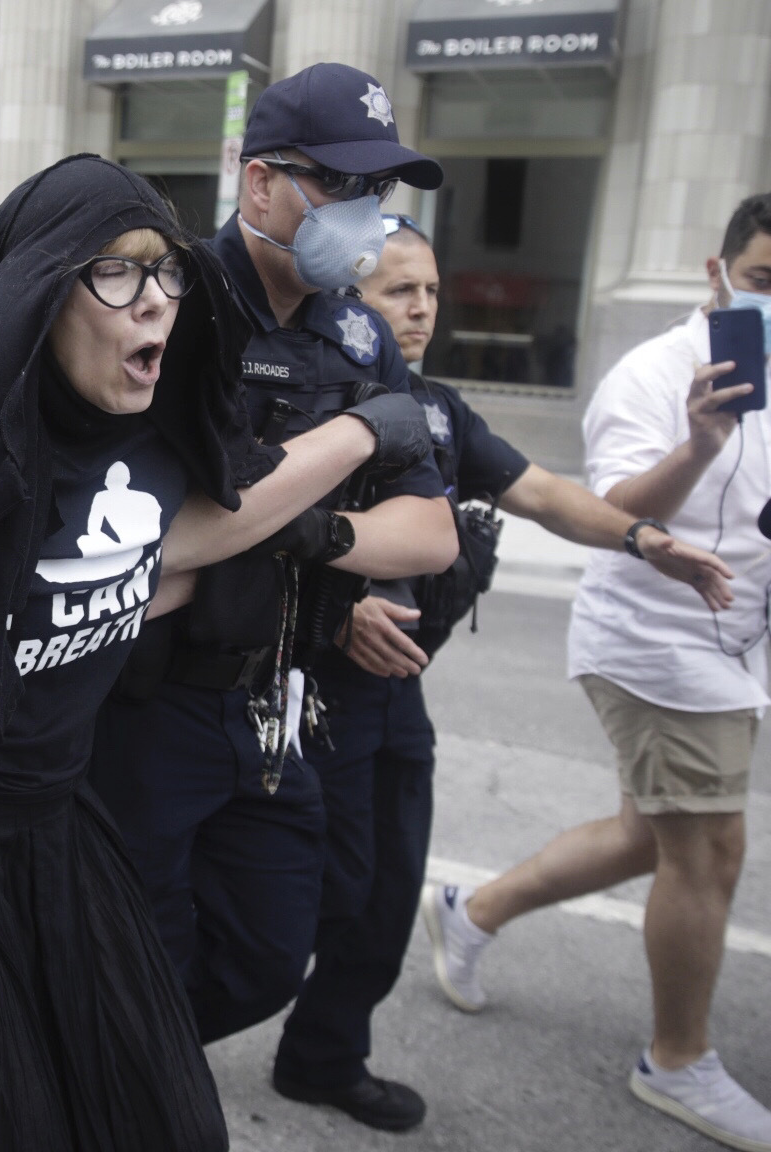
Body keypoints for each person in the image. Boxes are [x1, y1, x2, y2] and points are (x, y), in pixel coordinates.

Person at [0, 153, 439, 1152]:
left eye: (166, 271)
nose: (153, 300)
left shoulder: (164, 443)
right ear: (42, 292)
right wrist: (351, 443)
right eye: (116, 272)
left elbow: (194, 534)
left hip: (58, 826)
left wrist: (354, 441)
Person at [268, 216, 735, 1133]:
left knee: (391, 894)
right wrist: (337, 606)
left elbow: (546, 495)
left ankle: (324, 1056)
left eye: (433, 291)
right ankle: (143, 1033)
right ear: (346, 298)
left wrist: (644, 540)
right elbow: (247, 525)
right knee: (311, 895)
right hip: (305, 692)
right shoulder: (299, 396)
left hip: (401, 695)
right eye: (401, 290)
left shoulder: (441, 409)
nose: (423, 309)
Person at [86, 62, 457, 1122]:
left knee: (265, 953)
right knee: (140, 950)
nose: (364, 217)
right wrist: (326, 490)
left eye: (378, 193)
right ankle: (118, 1079)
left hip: (273, 700)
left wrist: (298, 527)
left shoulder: (357, 333)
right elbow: (149, 536)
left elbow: (425, 532)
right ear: (259, 187)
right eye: (338, 186)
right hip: (148, 704)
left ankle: (93, 1042)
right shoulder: (172, 301)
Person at [423, 191, 771, 1152]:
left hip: (739, 636)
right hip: (659, 640)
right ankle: (679, 1061)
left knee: (652, 836)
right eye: (766, 280)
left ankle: (474, 911)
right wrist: (701, 443)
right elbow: (611, 508)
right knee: (708, 850)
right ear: (718, 274)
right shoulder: (652, 373)